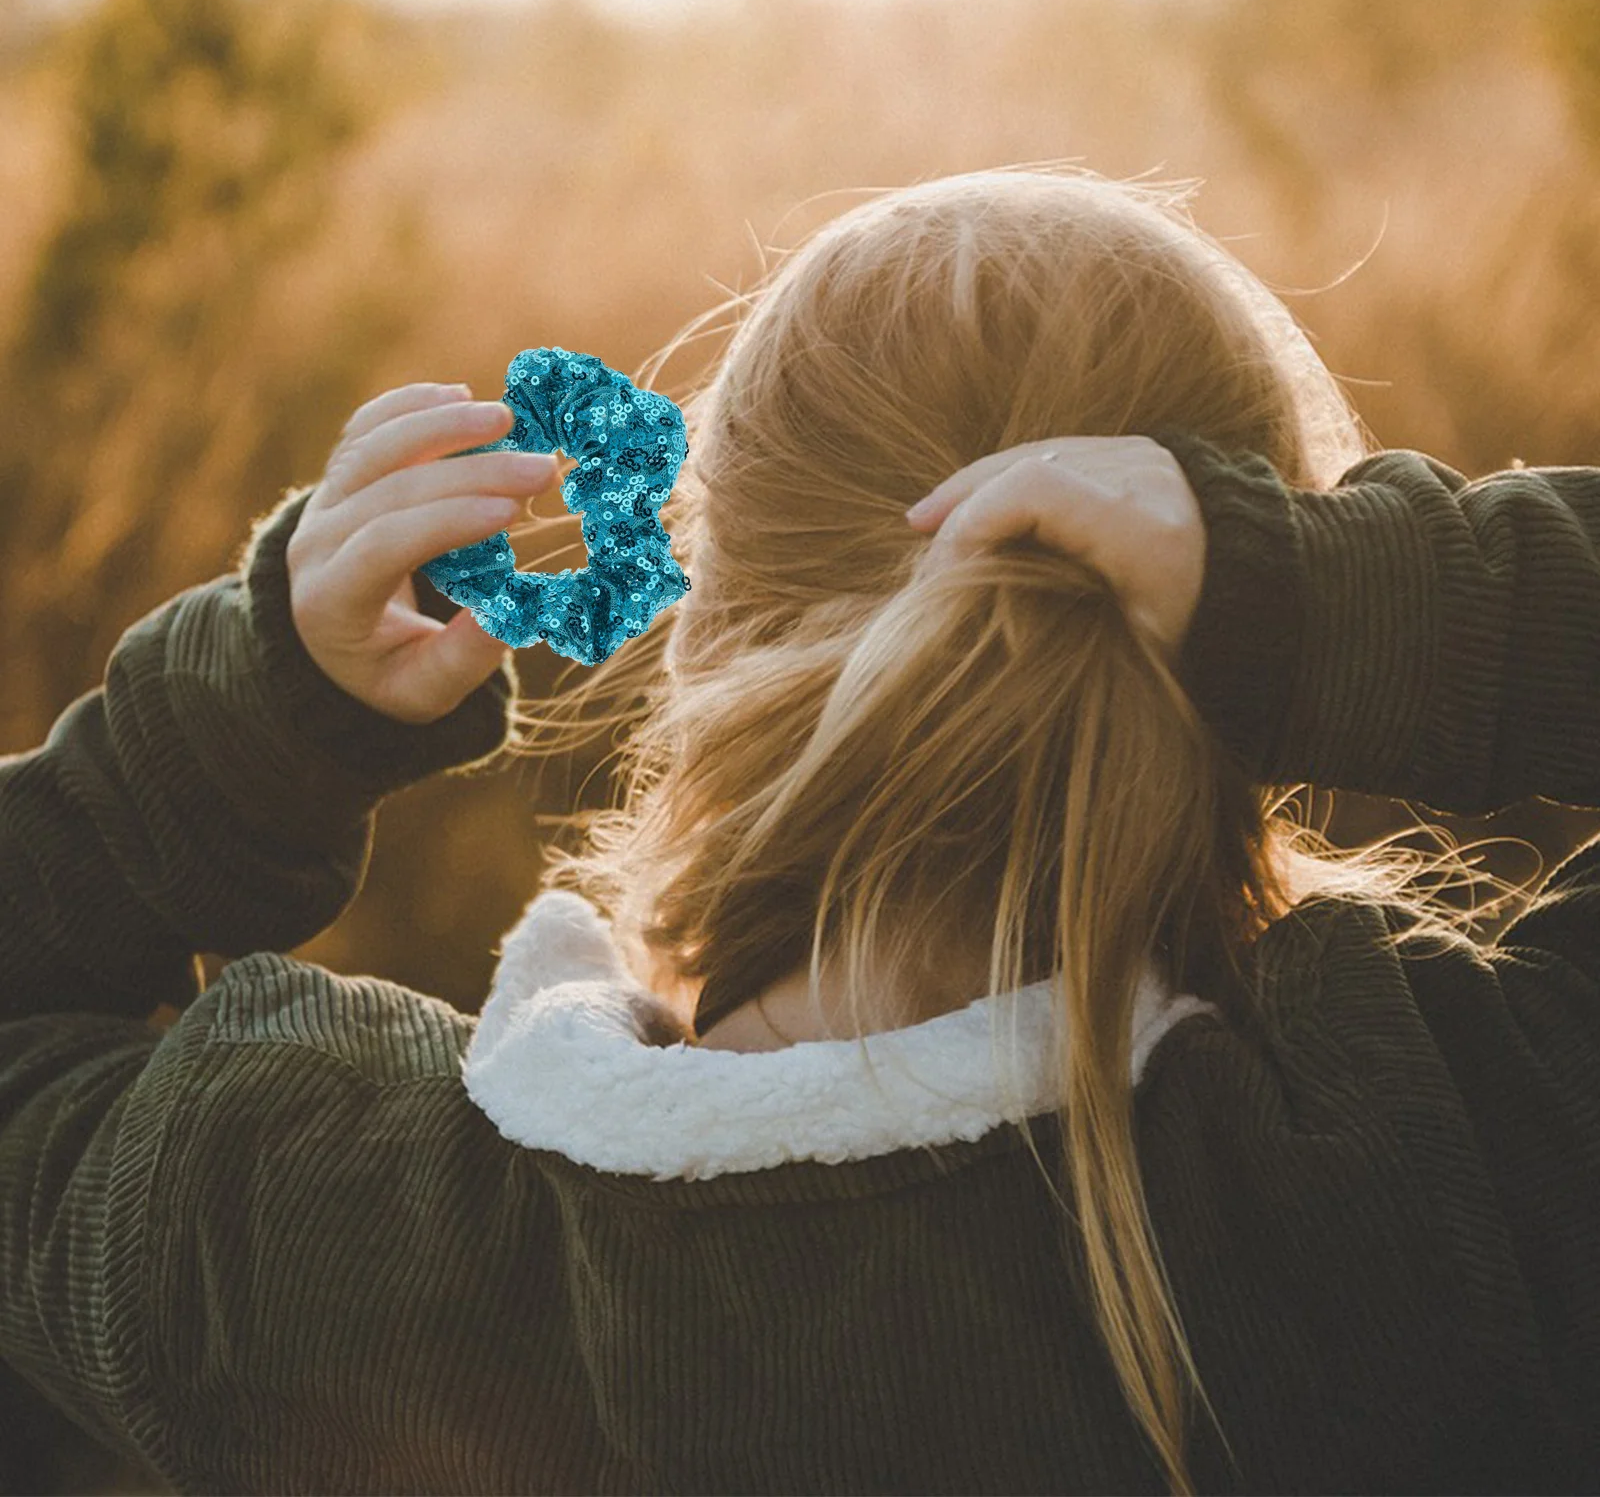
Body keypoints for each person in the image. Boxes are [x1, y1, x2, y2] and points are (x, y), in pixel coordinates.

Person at [0, 165, 1594, 1496]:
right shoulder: (1459, 1157)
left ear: (704, 623)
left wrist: (243, 728)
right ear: (1226, 676)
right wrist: (1323, 600)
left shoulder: (323, 1229)